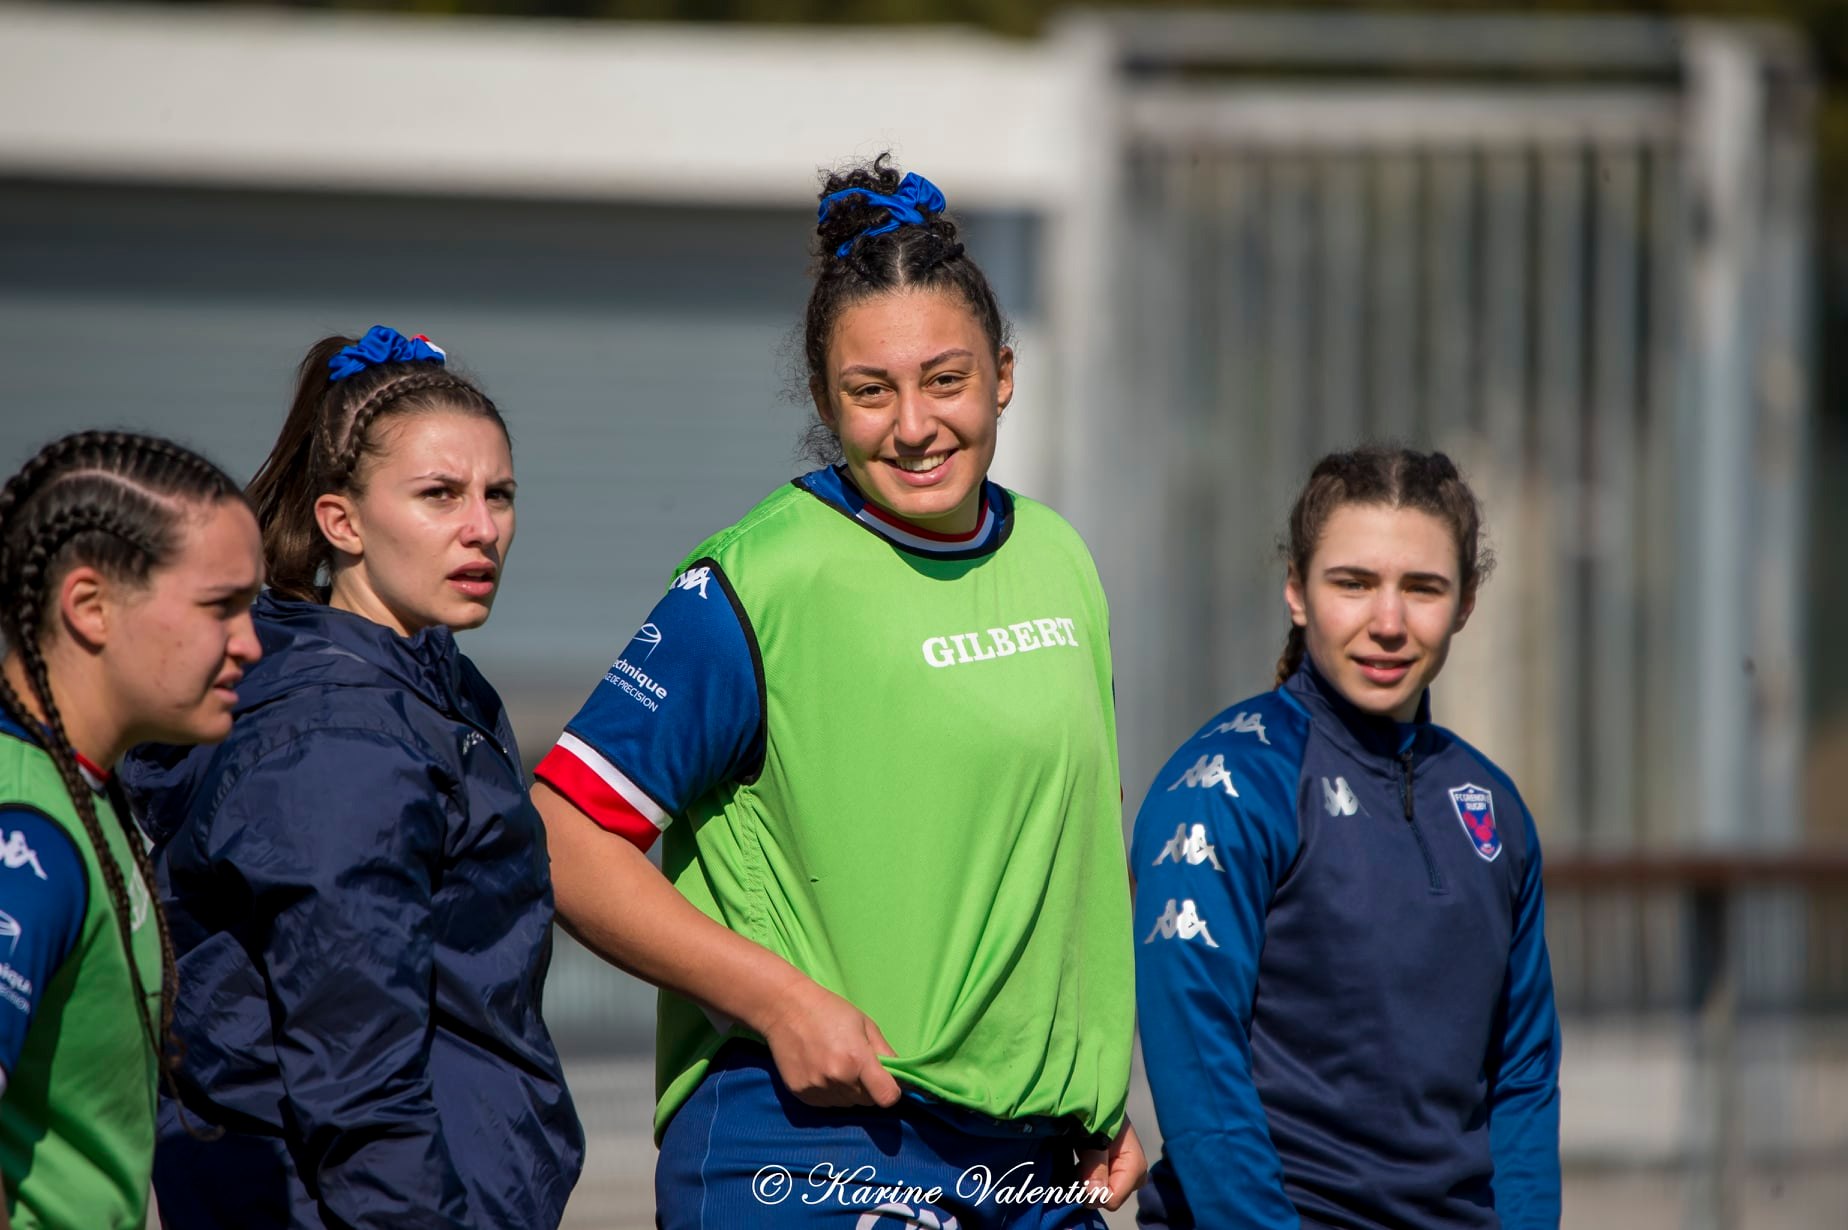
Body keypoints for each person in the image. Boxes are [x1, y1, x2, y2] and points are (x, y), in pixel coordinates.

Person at [531, 156, 1144, 1227]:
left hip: (1038, 1166)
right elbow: (562, 835)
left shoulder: (1059, 559)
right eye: (872, 391)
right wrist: (776, 999)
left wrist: (1085, 1078)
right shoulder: (760, 579)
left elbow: (1060, 856)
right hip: (814, 1147)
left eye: (945, 379)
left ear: (1003, 373)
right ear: (825, 398)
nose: (913, 425)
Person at [120, 327, 583, 1229]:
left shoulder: (424, 682)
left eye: (500, 495)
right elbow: (357, 1073)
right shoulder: (337, 738)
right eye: (439, 496)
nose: (481, 528)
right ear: (342, 521)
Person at [1131, 445, 1562, 1230]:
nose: (1388, 623)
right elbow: (1198, 1070)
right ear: (1297, 589)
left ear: (1465, 603)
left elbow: (1524, 1074)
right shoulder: (1226, 785)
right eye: (1353, 583)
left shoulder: (1494, 809)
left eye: (1423, 588)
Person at [0, 431, 264, 1230]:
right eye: (221, 607)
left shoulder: (87, 791)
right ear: (90, 606)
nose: (251, 643)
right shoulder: (25, 833)